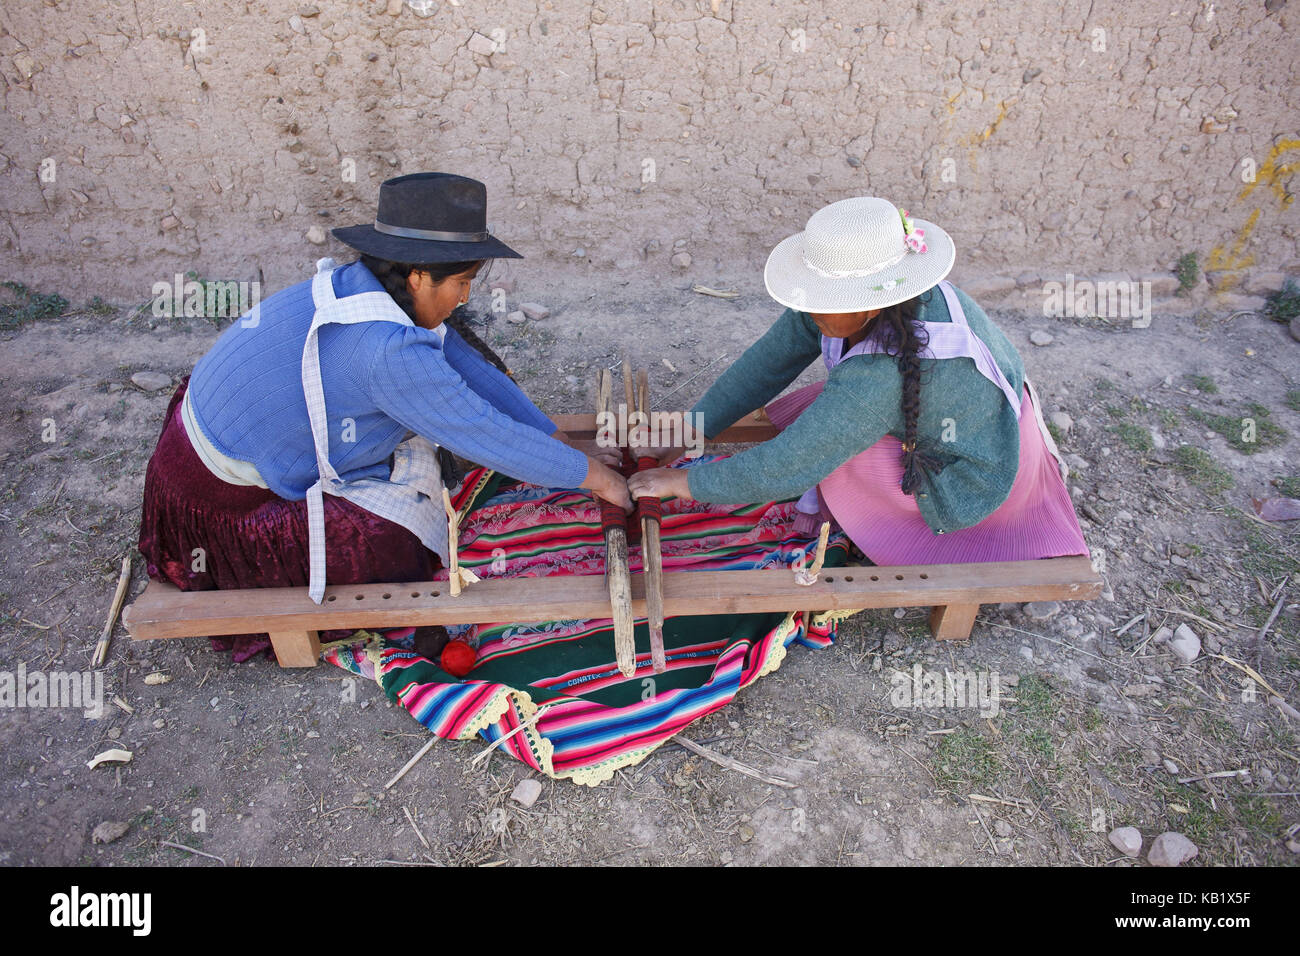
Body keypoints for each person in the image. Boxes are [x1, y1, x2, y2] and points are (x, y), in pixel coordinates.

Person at [138, 172, 630, 661]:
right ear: (418, 275)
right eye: (462, 283)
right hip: (219, 500)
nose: (464, 297)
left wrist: (557, 440)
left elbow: (466, 368)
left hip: (193, 438)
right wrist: (599, 482)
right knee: (395, 538)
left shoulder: (358, 285)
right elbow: (483, 433)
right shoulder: (388, 350)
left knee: (424, 436)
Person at [628, 196, 1088, 566]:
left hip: (977, 472)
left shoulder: (878, 379)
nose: (811, 307)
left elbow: (789, 465)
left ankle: (897, 524)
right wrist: (691, 431)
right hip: (983, 418)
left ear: (869, 305)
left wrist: (680, 484)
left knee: (832, 455)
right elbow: (768, 362)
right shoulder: (869, 301)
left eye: (827, 299)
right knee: (822, 419)